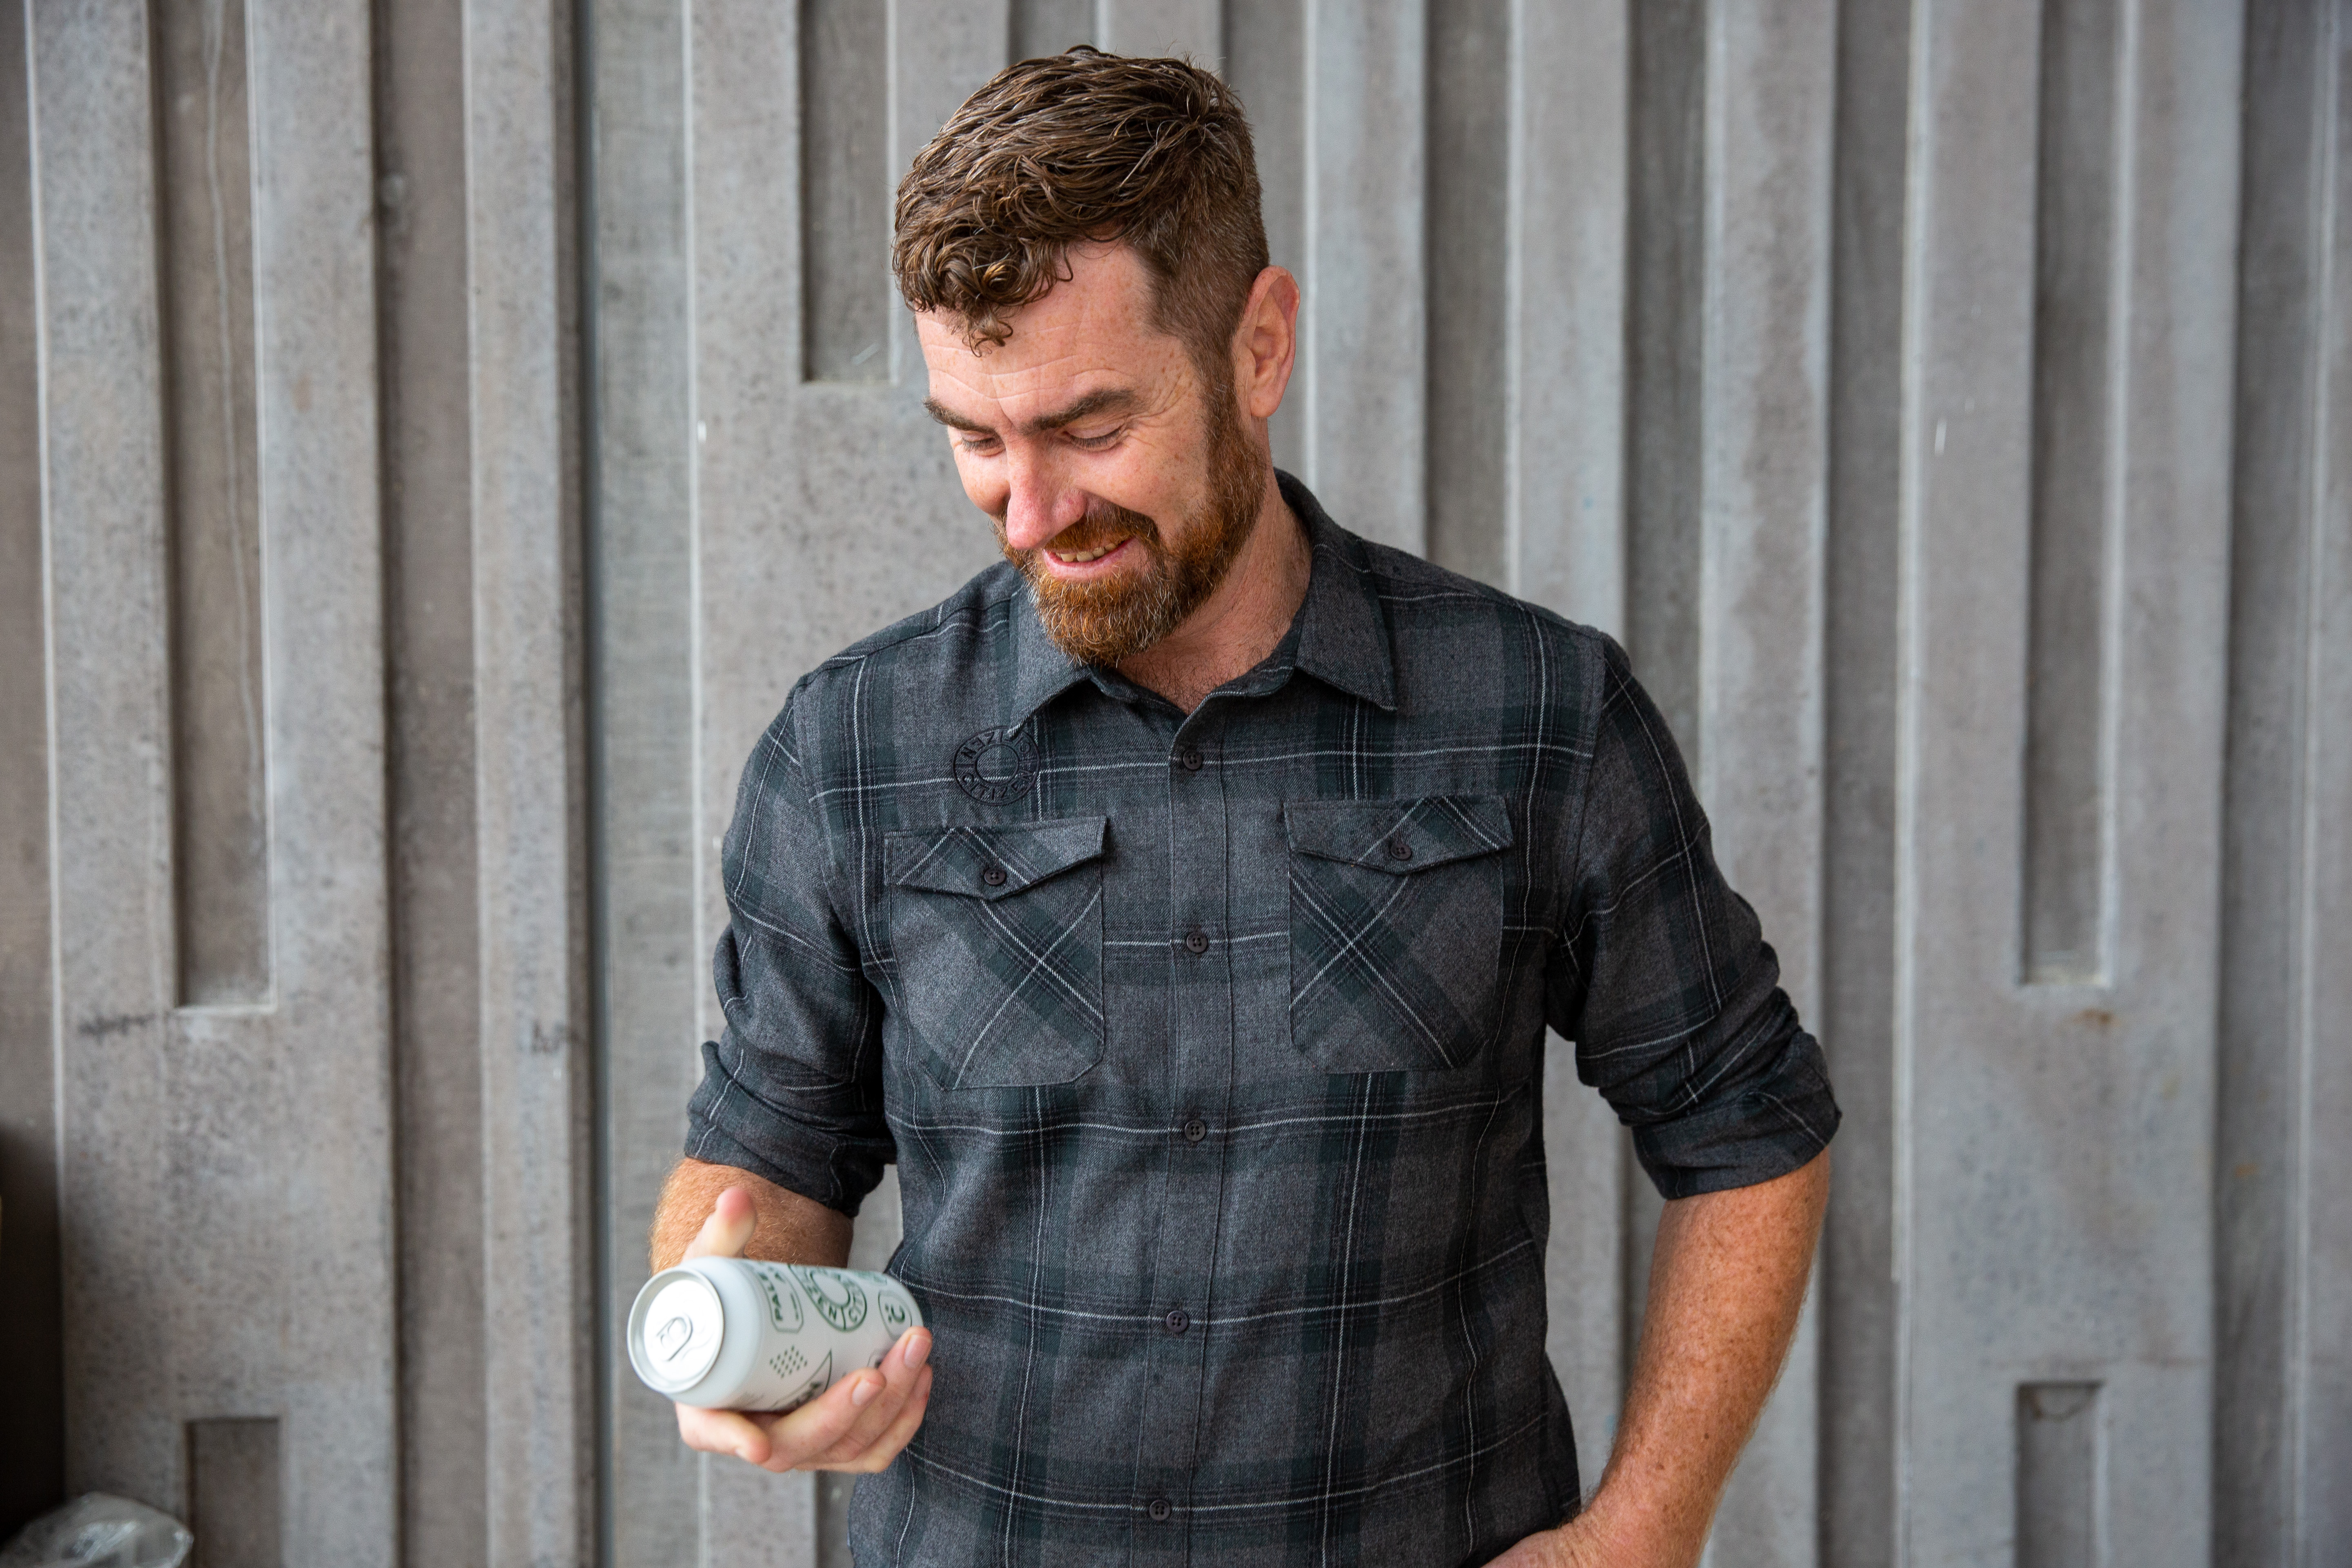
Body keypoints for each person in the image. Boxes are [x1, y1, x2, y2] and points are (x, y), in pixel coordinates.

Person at [648, 47, 1838, 1567]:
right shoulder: (850, 748)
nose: (1031, 511)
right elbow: (765, 1163)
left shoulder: (1539, 711)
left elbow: (1749, 1124)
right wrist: (733, 1338)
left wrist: (1648, 1528)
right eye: (974, 438)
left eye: (1089, 428)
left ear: (1258, 345)